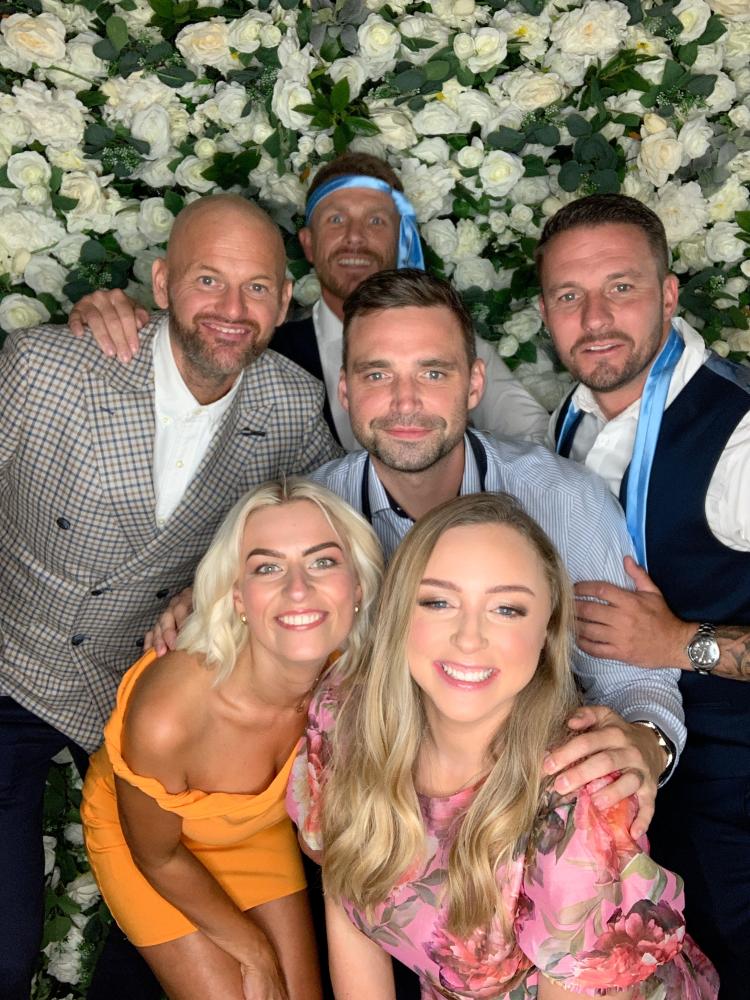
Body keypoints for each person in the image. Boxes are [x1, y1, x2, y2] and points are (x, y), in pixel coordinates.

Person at [0, 193, 339, 998]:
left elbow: (321, 544)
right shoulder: (47, 367)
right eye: (207, 280)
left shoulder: (292, 405)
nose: (232, 309)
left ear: (283, 302)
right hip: (16, 667)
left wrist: (208, 585)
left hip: (156, 694)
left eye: (257, 288)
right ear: (160, 283)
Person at [287, 492, 718, 999]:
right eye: (438, 601)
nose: (469, 638)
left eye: (507, 609)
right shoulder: (344, 714)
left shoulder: (576, 801)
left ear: (547, 632)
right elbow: (346, 894)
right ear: (398, 612)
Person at [537, 193, 750, 998]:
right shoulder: (573, 418)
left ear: (667, 293)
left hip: (729, 796)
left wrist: (682, 644)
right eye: (570, 295)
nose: (595, 318)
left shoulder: (738, 435)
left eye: (620, 288)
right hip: (618, 786)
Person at [81, 477, 383, 999]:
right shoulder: (170, 715)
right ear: (238, 596)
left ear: (357, 586)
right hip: (154, 848)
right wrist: (255, 952)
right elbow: (157, 856)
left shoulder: (353, 682)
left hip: (256, 830)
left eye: (322, 561)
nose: (298, 589)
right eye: (268, 567)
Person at [68, 152, 549, 447]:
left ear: (402, 239)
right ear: (309, 244)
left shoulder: (455, 346)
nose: (355, 237)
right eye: (336, 220)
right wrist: (108, 317)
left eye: (376, 221)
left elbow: (537, 444)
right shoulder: (251, 341)